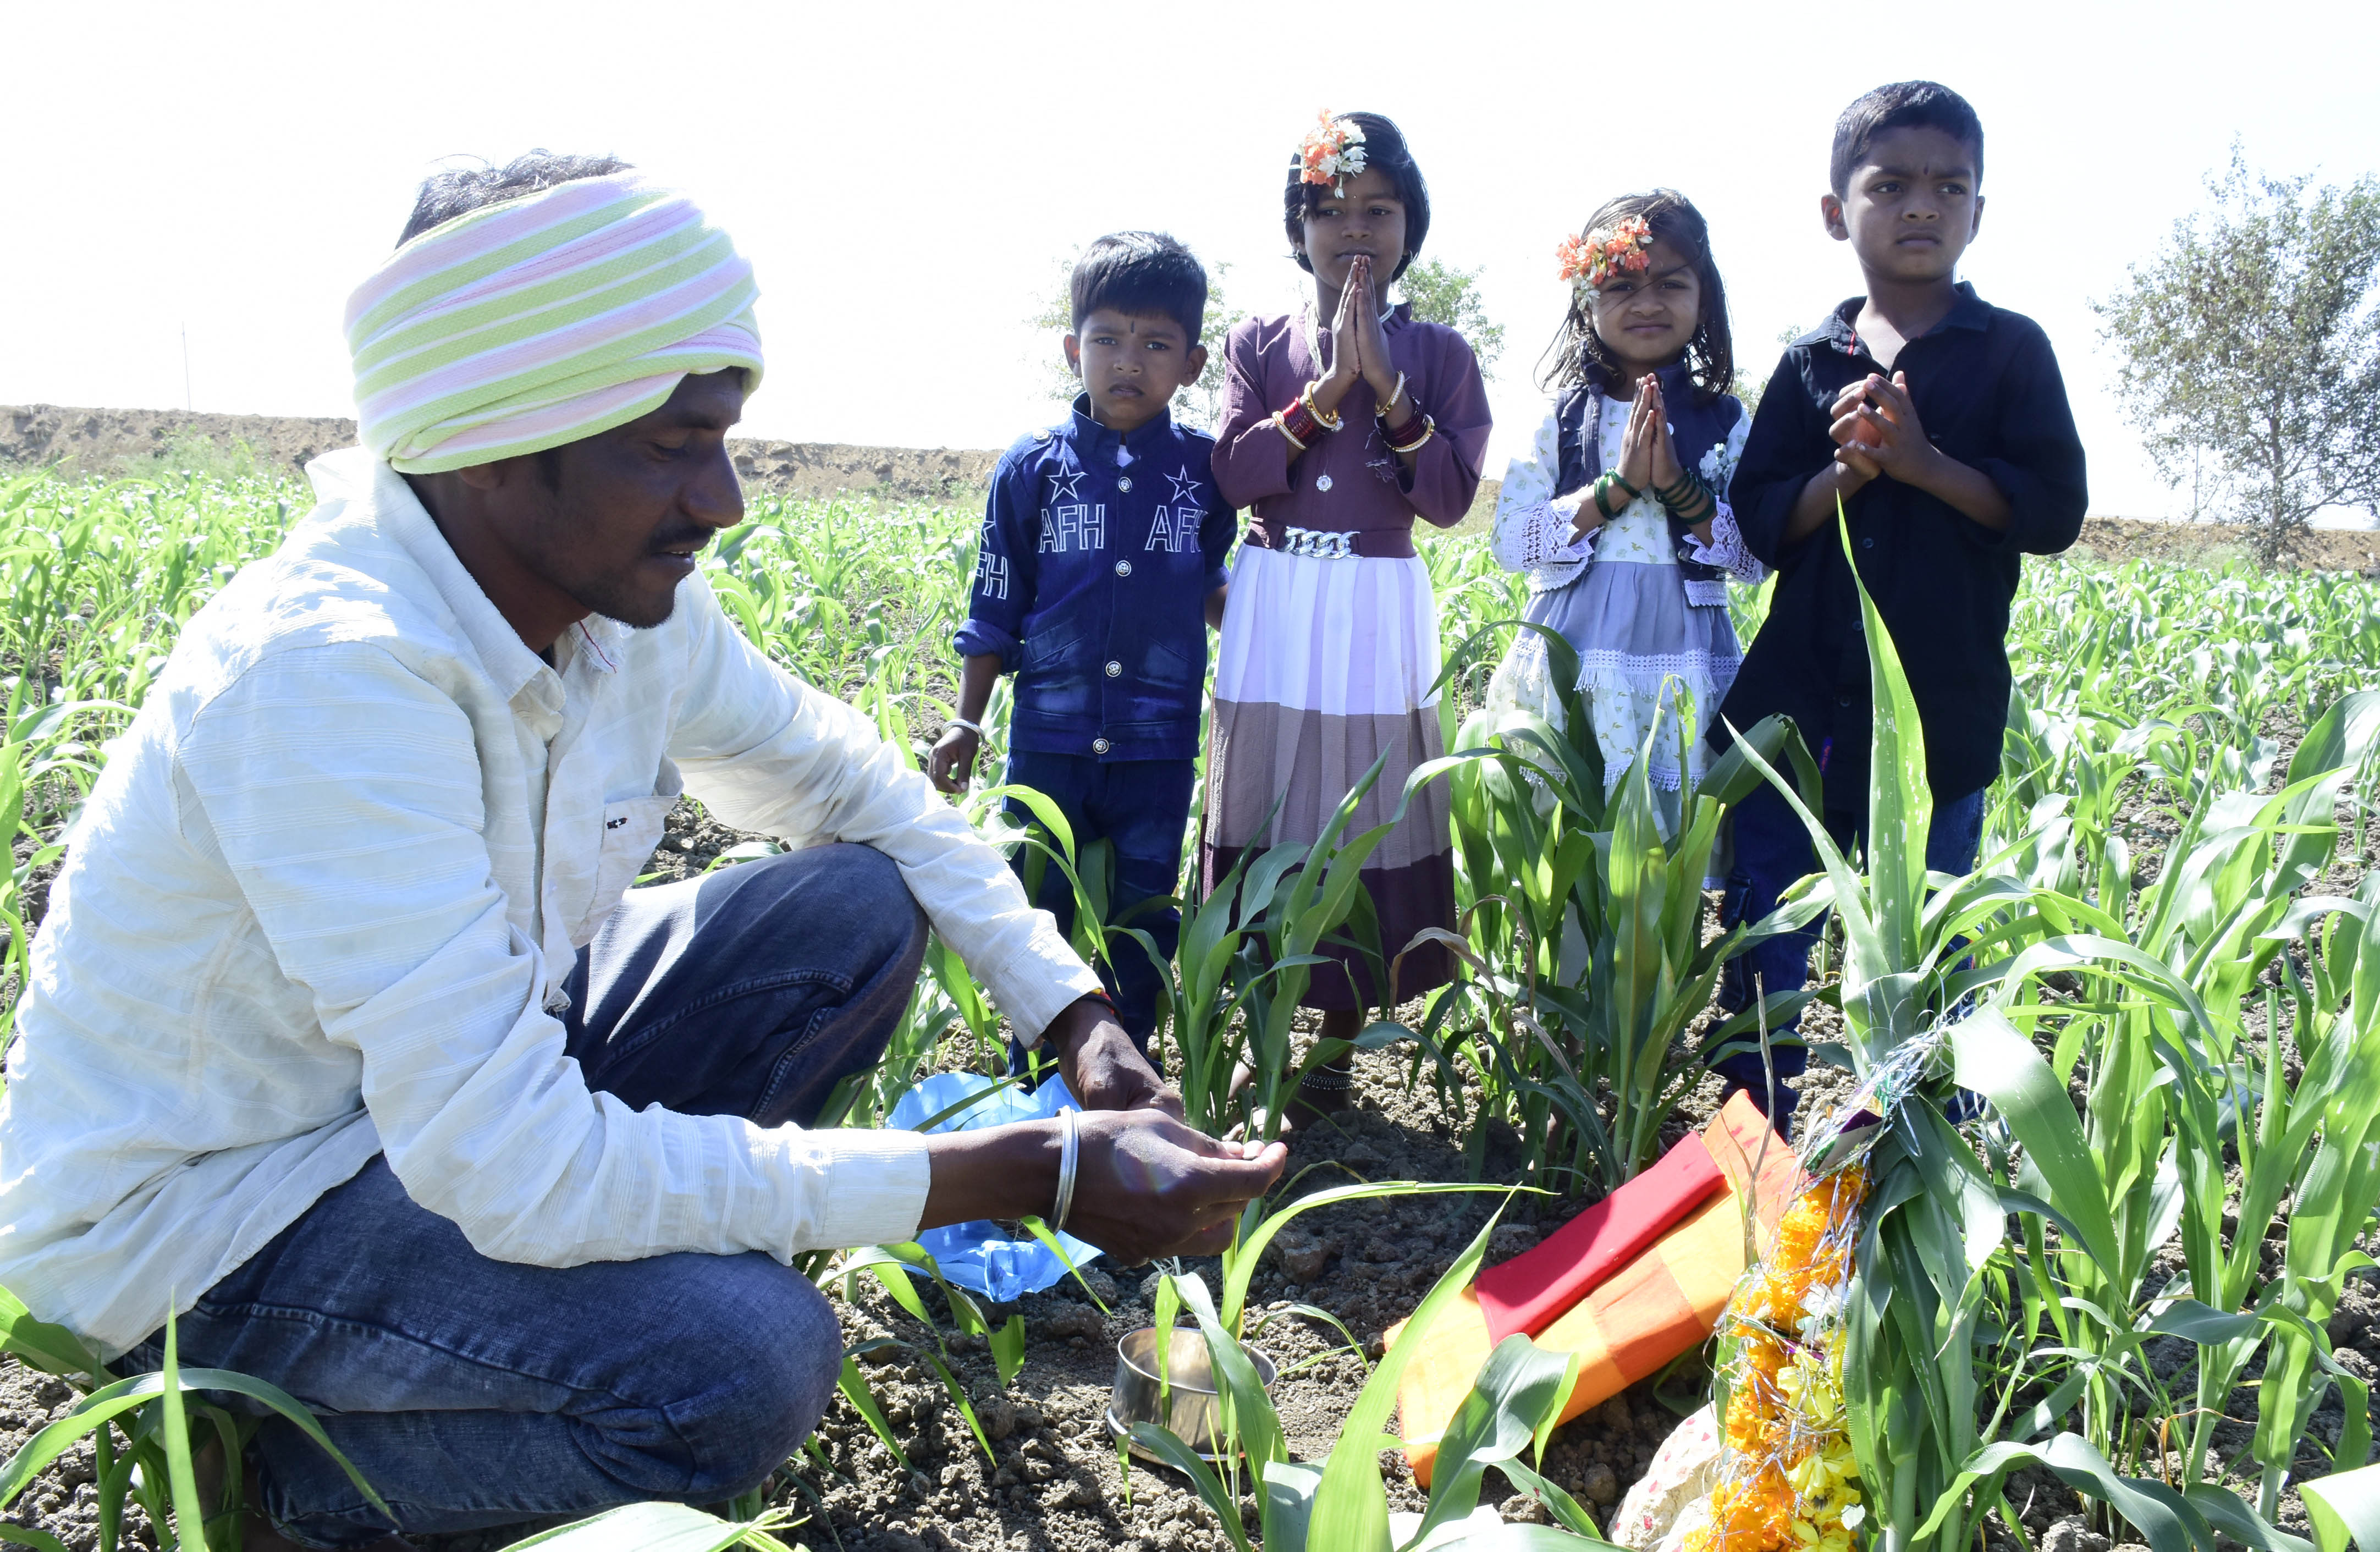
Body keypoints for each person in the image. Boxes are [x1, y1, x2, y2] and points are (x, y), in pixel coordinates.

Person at [0, 155, 1286, 1552]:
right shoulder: (332, 678)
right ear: (496, 433)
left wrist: (1079, 1016)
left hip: (439, 1102)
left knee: (853, 905)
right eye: (671, 446)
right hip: (218, 1221)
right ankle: (280, 1481)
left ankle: (563, 1312)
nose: (722, 498)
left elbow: (870, 790)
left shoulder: (618, 611)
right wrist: (1021, 1168)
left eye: (721, 439)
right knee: (739, 1364)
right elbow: (515, 1166)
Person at [1710, 82, 2089, 1132]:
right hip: (1794, 712)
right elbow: (1755, 521)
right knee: (1766, 931)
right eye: (1889, 185)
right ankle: (1754, 1138)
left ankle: (1921, 1155)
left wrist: (1920, 463)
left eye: (1947, 185)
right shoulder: (1804, 360)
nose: (1920, 205)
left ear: (1977, 209)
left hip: (1937, 711)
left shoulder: (2010, 351)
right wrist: (1848, 478)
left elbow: (2052, 509)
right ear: (1837, 212)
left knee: (1928, 938)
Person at [1205, 110, 1491, 1121]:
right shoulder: (1257, 343)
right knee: (1264, 797)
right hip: (1278, 592)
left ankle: (1333, 1040)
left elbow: (1448, 498)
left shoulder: (1443, 355)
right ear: (1297, 232)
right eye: (1328, 211)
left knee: (1360, 807)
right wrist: (1328, 389)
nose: (1354, 229)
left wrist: (1389, 387)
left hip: (1377, 598)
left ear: (1411, 226)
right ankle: (1257, 1024)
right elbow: (1236, 475)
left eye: (1378, 209)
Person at [928, 233, 1233, 1063]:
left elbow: (1212, 580)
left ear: (1193, 363)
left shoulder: (1206, 473)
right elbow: (994, 601)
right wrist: (968, 723)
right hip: (1048, 743)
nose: (1128, 360)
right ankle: (1034, 1065)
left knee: (1143, 913)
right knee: (1038, 911)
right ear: (1074, 349)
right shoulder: (1032, 469)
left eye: (1156, 343)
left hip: (1157, 745)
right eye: (1107, 339)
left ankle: (1130, 1060)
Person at [1484, 189, 1764, 831]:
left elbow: (1753, 557)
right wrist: (1613, 490)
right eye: (1620, 287)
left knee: (1673, 828)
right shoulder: (1560, 418)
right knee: (1576, 813)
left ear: (1704, 297)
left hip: (1682, 650)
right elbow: (1510, 543)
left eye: (1670, 283)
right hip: (1576, 651)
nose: (1646, 303)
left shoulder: (1725, 420)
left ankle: (1663, 935)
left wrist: (1674, 485)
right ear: (1587, 301)